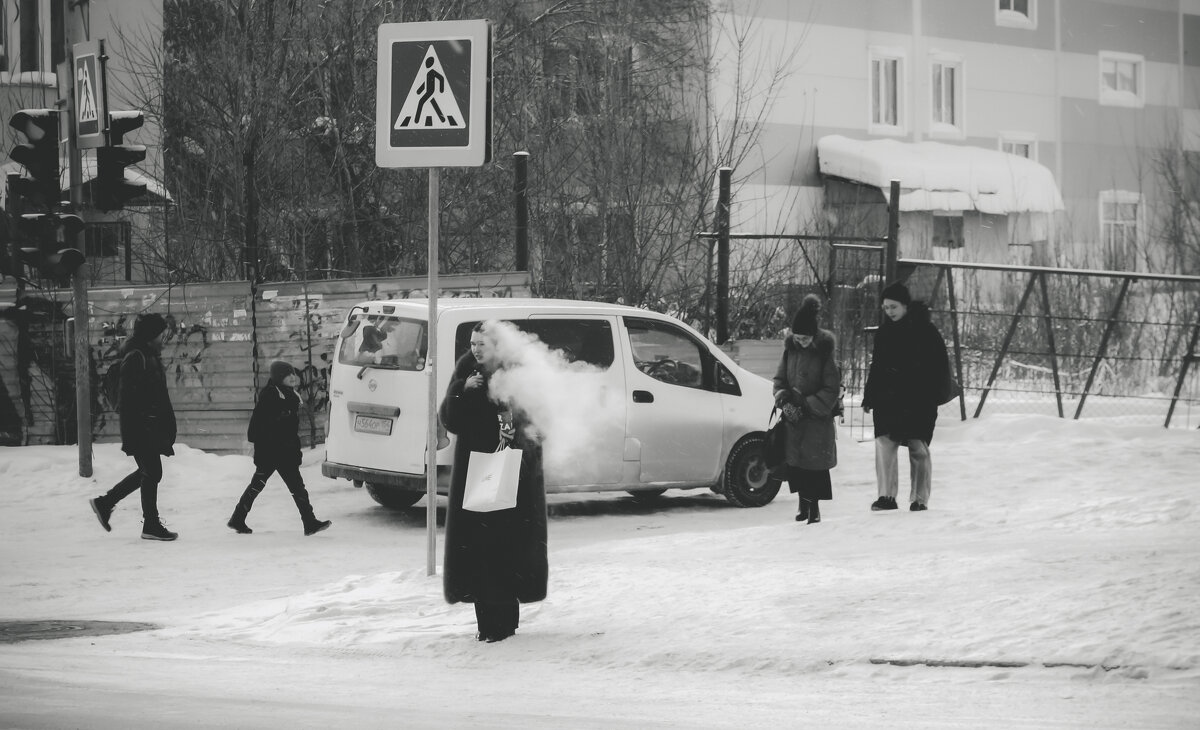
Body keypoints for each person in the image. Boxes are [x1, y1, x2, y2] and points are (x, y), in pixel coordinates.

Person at [439, 322, 547, 643]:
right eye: (472, 343)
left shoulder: (515, 369)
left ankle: (505, 623)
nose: (475, 349)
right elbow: (450, 418)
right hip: (476, 470)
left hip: (511, 470)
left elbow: (534, 414)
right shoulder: (466, 370)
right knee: (478, 550)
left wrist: (514, 428)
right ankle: (485, 624)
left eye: (481, 343)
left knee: (505, 549)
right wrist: (462, 390)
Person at [862, 281, 952, 512]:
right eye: (886, 308)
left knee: (918, 448)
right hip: (888, 398)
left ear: (905, 305)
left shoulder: (926, 331)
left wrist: (934, 395)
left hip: (918, 399)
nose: (889, 312)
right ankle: (886, 497)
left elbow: (940, 366)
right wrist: (870, 396)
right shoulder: (884, 333)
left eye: (893, 307)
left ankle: (919, 499)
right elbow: (878, 366)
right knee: (884, 444)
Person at [89, 313, 179, 541]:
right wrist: (136, 431)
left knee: (149, 472)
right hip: (142, 427)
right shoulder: (136, 357)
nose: (163, 338)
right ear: (151, 335)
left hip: (149, 426)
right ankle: (146, 523)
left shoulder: (147, 354)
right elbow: (128, 400)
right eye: (160, 334)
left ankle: (107, 504)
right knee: (152, 472)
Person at [227, 361, 331, 536]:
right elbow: (258, 427)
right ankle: (309, 522)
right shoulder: (270, 396)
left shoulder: (289, 395)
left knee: (293, 487)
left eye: (293, 373)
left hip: (284, 452)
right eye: (287, 374)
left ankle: (309, 522)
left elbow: (288, 430)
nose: (293, 377)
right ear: (278, 377)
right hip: (272, 452)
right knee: (265, 486)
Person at [772, 294, 842, 524]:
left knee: (815, 467)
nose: (801, 342)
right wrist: (783, 398)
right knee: (797, 466)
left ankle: (815, 509)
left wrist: (809, 404)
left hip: (816, 421)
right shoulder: (790, 350)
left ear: (813, 336)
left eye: (805, 338)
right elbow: (780, 379)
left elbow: (831, 387)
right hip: (794, 419)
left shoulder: (824, 353)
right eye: (798, 337)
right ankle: (803, 504)